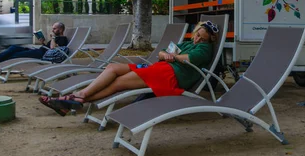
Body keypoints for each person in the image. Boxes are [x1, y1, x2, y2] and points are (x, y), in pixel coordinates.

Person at [40, 20, 218, 116]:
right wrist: (167, 56)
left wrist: (172, 57)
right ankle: (78, 97)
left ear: (209, 39)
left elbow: (187, 58)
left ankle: (76, 97)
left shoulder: (205, 49)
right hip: (159, 68)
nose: (197, 40)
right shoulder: (188, 43)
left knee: (119, 82)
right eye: (197, 35)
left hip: (170, 76)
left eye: (202, 38)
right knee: (113, 67)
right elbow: (163, 52)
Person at [0, 22, 68, 67]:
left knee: (16, 55)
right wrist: (43, 42)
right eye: (53, 28)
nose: (53, 30)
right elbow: (48, 47)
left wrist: (52, 38)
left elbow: (53, 49)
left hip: (42, 55)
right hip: (39, 51)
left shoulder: (63, 39)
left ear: (60, 30)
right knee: (14, 47)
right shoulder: (55, 38)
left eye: (55, 29)